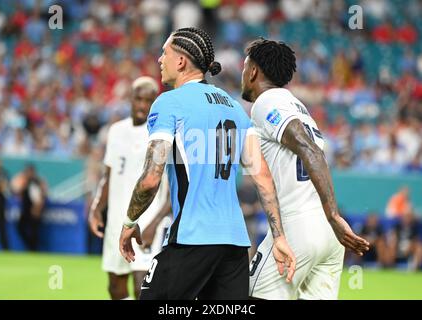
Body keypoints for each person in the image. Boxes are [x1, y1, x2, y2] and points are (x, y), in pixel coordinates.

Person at [119, 27, 296, 300]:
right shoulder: (235, 107)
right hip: (235, 244)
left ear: (181, 61)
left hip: (192, 237)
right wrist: (279, 236)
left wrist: (130, 220)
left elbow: (151, 178)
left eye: (164, 53)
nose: (159, 60)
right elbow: (262, 177)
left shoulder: (168, 103)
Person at [241, 38, 370, 300]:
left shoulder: (267, 102)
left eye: (245, 67)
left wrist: (334, 215)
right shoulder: (298, 106)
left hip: (298, 226)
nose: (243, 74)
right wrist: (331, 218)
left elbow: (308, 148)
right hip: (327, 235)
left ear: (253, 71)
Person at [89, 77, 171, 300]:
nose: (142, 105)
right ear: (130, 99)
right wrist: (97, 208)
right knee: (115, 288)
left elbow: (173, 187)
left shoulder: (162, 132)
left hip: (147, 225)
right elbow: (108, 175)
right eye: (138, 99)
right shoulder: (116, 131)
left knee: (141, 287)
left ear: (156, 102)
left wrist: (156, 223)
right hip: (117, 221)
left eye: (148, 100)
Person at [12, 164, 47, 251]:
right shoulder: (25, 182)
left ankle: (33, 249)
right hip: (26, 210)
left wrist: (37, 209)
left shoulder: (36, 182)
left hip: (34, 210)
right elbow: (15, 191)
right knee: (21, 227)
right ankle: (30, 246)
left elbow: (39, 198)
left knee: (34, 231)